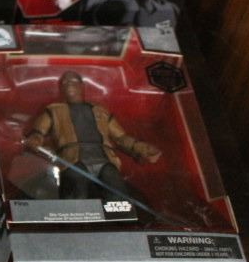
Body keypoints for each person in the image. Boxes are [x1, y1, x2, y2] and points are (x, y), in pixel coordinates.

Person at [23, 71, 161, 200]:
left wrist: (141, 148)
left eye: (73, 80)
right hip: (73, 160)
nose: (69, 84)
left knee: (117, 191)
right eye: (64, 82)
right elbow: (39, 131)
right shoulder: (53, 110)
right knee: (77, 191)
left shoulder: (101, 111)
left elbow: (120, 137)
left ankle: (121, 216)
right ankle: (77, 216)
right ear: (61, 88)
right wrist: (35, 139)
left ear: (82, 86)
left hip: (104, 159)